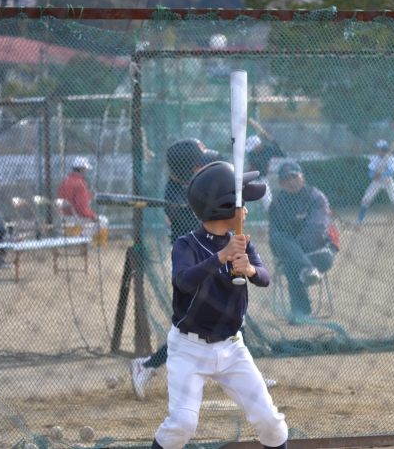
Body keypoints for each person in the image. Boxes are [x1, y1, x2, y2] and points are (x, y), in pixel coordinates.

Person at [148, 161, 288, 449]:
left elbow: (264, 279)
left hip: (232, 347)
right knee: (182, 424)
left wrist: (250, 269)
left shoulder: (242, 243)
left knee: (271, 423)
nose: (246, 209)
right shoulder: (186, 245)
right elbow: (183, 282)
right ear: (223, 207)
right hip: (189, 348)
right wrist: (221, 256)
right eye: (241, 203)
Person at [131, 139, 276, 400]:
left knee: (232, 313)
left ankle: (247, 375)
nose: (203, 165)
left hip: (217, 255)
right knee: (194, 325)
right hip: (193, 262)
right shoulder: (176, 193)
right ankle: (147, 364)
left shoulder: (193, 188)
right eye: (198, 162)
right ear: (186, 167)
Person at [269, 161, 338, 320]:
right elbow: (274, 235)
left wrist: (293, 250)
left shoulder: (316, 197)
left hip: (320, 250)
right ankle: (308, 270)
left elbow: (316, 230)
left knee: (291, 264)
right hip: (298, 255)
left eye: (294, 176)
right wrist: (293, 251)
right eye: (286, 179)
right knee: (278, 238)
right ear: (281, 183)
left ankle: (300, 313)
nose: (291, 182)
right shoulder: (277, 202)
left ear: (302, 177)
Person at [356, 139, 394, 226]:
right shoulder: (375, 158)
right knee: (366, 199)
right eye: (377, 149)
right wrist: (373, 175)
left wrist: (381, 173)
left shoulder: (390, 158)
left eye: (380, 149)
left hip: (388, 182)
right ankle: (360, 220)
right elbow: (370, 171)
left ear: (385, 150)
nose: (378, 150)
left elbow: (391, 172)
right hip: (377, 182)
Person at [57, 157, 108, 243]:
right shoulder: (80, 183)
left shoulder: (65, 181)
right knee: (103, 221)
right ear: (81, 169)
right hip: (74, 216)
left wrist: (88, 196)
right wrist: (93, 216)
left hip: (63, 215)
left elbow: (72, 199)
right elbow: (81, 208)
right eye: (85, 169)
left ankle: (78, 237)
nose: (86, 171)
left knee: (94, 221)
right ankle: (80, 238)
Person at [245, 135, 286, 212]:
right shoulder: (251, 154)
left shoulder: (268, 149)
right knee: (240, 199)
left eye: (253, 148)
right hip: (250, 179)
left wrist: (276, 146)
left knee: (268, 202)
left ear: (259, 146)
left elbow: (283, 155)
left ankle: (273, 216)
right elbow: (260, 163)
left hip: (262, 180)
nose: (252, 150)